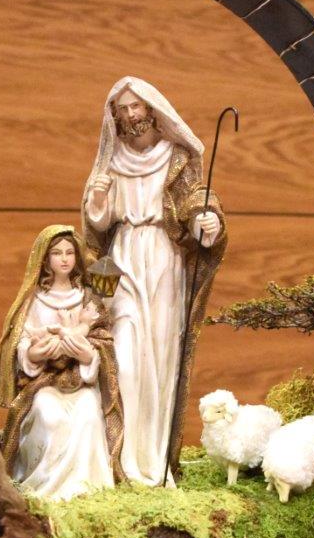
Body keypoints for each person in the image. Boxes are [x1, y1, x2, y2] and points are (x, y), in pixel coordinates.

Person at [82, 77, 227, 486]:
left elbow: (195, 200)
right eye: (123, 109)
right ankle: (122, 459)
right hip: (123, 258)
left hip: (165, 260)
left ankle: (155, 461)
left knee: (162, 355)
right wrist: (97, 201)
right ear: (115, 117)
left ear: (150, 108)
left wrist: (205, 221)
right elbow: (98, 229)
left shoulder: (176, 157)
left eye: (136, 106)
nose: (131, 115)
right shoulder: (110, 162)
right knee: (124, 356)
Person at [0, 224, 123, 500]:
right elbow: (22, 343)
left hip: (80, 383)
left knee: (89, 415)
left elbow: (102, 342)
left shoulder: (87, 298)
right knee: (50, 417)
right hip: (44, 384)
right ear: (45, 259)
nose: (64, 259)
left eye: (69, 253)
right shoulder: (35, 301)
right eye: (56, 253)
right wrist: (35, 354)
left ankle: (87, 486)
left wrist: (87, 356)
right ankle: (46, 486)